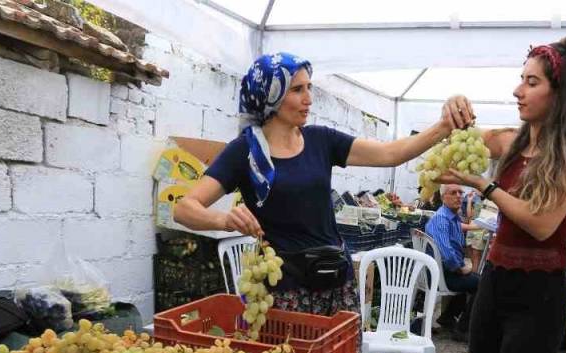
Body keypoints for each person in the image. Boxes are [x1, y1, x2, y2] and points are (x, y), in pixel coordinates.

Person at [173, 52, 472, 315]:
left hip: (335, 281)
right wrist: (224, 219)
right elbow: (185, 209)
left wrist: (443, 126)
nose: (309, 98)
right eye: (298, 89)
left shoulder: (321, 140)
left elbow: (390, 154)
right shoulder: (245, 152)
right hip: (284, 291)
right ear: (272, 96)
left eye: (310, 87)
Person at [436, 32, 566, 353]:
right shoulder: (514, 141)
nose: (517, 91)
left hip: (539, 295)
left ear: (560, 94)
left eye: (531, 82)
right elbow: (452, 136)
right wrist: (453, 107)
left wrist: (484, 185)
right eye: (521, 79)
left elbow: (542, 225)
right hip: (494, 282)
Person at [424, 184, 480, 339]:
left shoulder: (453, 218)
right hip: (440, 273)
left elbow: (456, 247)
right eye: (453, 193)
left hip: (443, 270)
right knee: (481, 284)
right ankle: (462, 329)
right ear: (443, 197)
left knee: (473, 280)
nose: (459, 196)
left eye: (461, 192)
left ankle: (447, 317)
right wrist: (461, 268)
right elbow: (447, 254)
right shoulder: (442, 218)